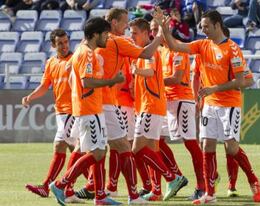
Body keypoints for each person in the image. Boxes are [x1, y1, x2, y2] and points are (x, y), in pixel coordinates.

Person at [154, 9, 260, 204]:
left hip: (229, 104)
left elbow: (240, 81)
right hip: (210, 104)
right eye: (201, 26)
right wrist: (164, 28)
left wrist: (214, 88)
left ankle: (253, 180)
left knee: (231, 148)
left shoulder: (232, 49)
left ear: (217, 25)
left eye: (205, 26)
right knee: (206, 144)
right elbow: (176, 45)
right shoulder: (202, 45)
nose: (202, 29)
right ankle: (209, 193)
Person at [72, 8, 162, 204]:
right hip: (106, 103)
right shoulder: (116, 42)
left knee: (94, 149)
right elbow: (147, 53)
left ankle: (99, 192)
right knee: (120, 147)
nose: (127, 27)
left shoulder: (84, 46)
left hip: (92, 103)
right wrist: (161, 35)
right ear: (113, 23)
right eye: (124, 23)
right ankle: (66, 185)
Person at [49, 17, 125, 206]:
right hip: (88, 109)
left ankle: (100, 197)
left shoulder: (84, 52)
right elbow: (86, 81)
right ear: (95, 34)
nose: (107, 38)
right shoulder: (87, 54)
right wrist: (111, 80)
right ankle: (61, 184)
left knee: (99, 150)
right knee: (98, 152)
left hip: (90, 108)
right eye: (105, 34)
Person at [129, 17, 188, 202]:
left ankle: (172, 177)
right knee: (153, 150)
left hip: (151, 105)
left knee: (137, 149)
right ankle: (156, 190)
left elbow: (150, 71)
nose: (132, 37)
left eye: (135, 33)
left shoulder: (150, 52)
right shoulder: (144, 51)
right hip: (149, 106)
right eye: (131, 33)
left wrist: (135, 71)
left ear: (146, 34)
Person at [22, 28, 83, 204]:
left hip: (74, 111)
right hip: (60, 112)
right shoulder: (51, 63)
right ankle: (73, 190)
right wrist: (30, 97)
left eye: (66, 42)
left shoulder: (75, 59)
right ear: (52, 45)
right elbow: (44, 86)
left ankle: (46, 185)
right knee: (77, 152)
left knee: (60, 145)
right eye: (60, 43)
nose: (64, 46)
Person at [150, 19, 205, 200]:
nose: (154, 33)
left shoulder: (178, 48)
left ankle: (203, 186)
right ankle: (176, 176)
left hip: (181, 99)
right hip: (166, 101)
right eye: (152, 30)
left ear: (167, 28)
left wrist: (151, 82)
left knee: (190, 143)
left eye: (157, 29)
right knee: (155, 141)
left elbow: (176, 77)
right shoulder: (160, 51)